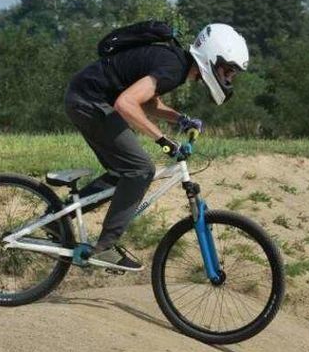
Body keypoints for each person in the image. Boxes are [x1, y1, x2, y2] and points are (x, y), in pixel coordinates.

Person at [63, 23, 249, 271]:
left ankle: (58, 217)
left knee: (123, 172)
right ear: (213, 58)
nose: (229, 79)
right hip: (90, 102)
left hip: (85, 98)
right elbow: (126, 103)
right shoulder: (174, 67)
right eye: (229, 71)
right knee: (141, 169)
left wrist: (181, 119)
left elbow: (148, 102)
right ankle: (105, 247)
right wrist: (163, 141)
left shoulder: (176, 64)